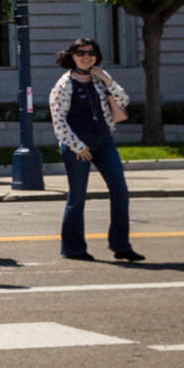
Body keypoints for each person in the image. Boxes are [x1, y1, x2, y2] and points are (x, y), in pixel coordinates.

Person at [51, 37, 141, 262]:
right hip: (78, 147)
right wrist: (78, 146)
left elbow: (124, 101)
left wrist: (108, 80)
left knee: (120, 191)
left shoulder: (100, 80)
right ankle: (73, 248)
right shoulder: (64, 85)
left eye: (90, 53)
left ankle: (121, 245)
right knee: (78, 197)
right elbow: (58, 121)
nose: (86, 56)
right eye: (80, 53)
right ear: (72, 56)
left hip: (104, 142)